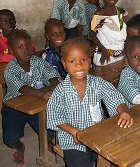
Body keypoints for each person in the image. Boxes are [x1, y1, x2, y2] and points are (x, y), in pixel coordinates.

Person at [47, 37, 133, 167]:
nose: (79, 65)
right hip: (72, 140)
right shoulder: (61, 91)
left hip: (97, 134)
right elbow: (55, 117)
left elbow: (114, 97)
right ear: (64, 64)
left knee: (119, 155)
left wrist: (124, 111)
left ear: (90, 59)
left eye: (83, 60)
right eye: (72, 61)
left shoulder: (98, 83)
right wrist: (74, 132)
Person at [2, 29, 62, 166]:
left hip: (37, 105)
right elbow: (21, 88)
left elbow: (52, 74)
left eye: (28, 45)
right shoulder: (10, 70)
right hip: (14, 108)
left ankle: (47, 143)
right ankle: (19, 147)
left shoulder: (38, 62)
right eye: (20, 47)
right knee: (10, 140)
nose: (26, 50)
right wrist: (41, 93)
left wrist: (54, 85)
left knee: (49, 132)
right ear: (11, 51)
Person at [90, 0, 127, 66]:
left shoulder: (120, 12)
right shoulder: (100, 14)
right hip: (104, 54)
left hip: (119, 54)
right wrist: (103, 50)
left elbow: (122, 31)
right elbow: (92, 34)